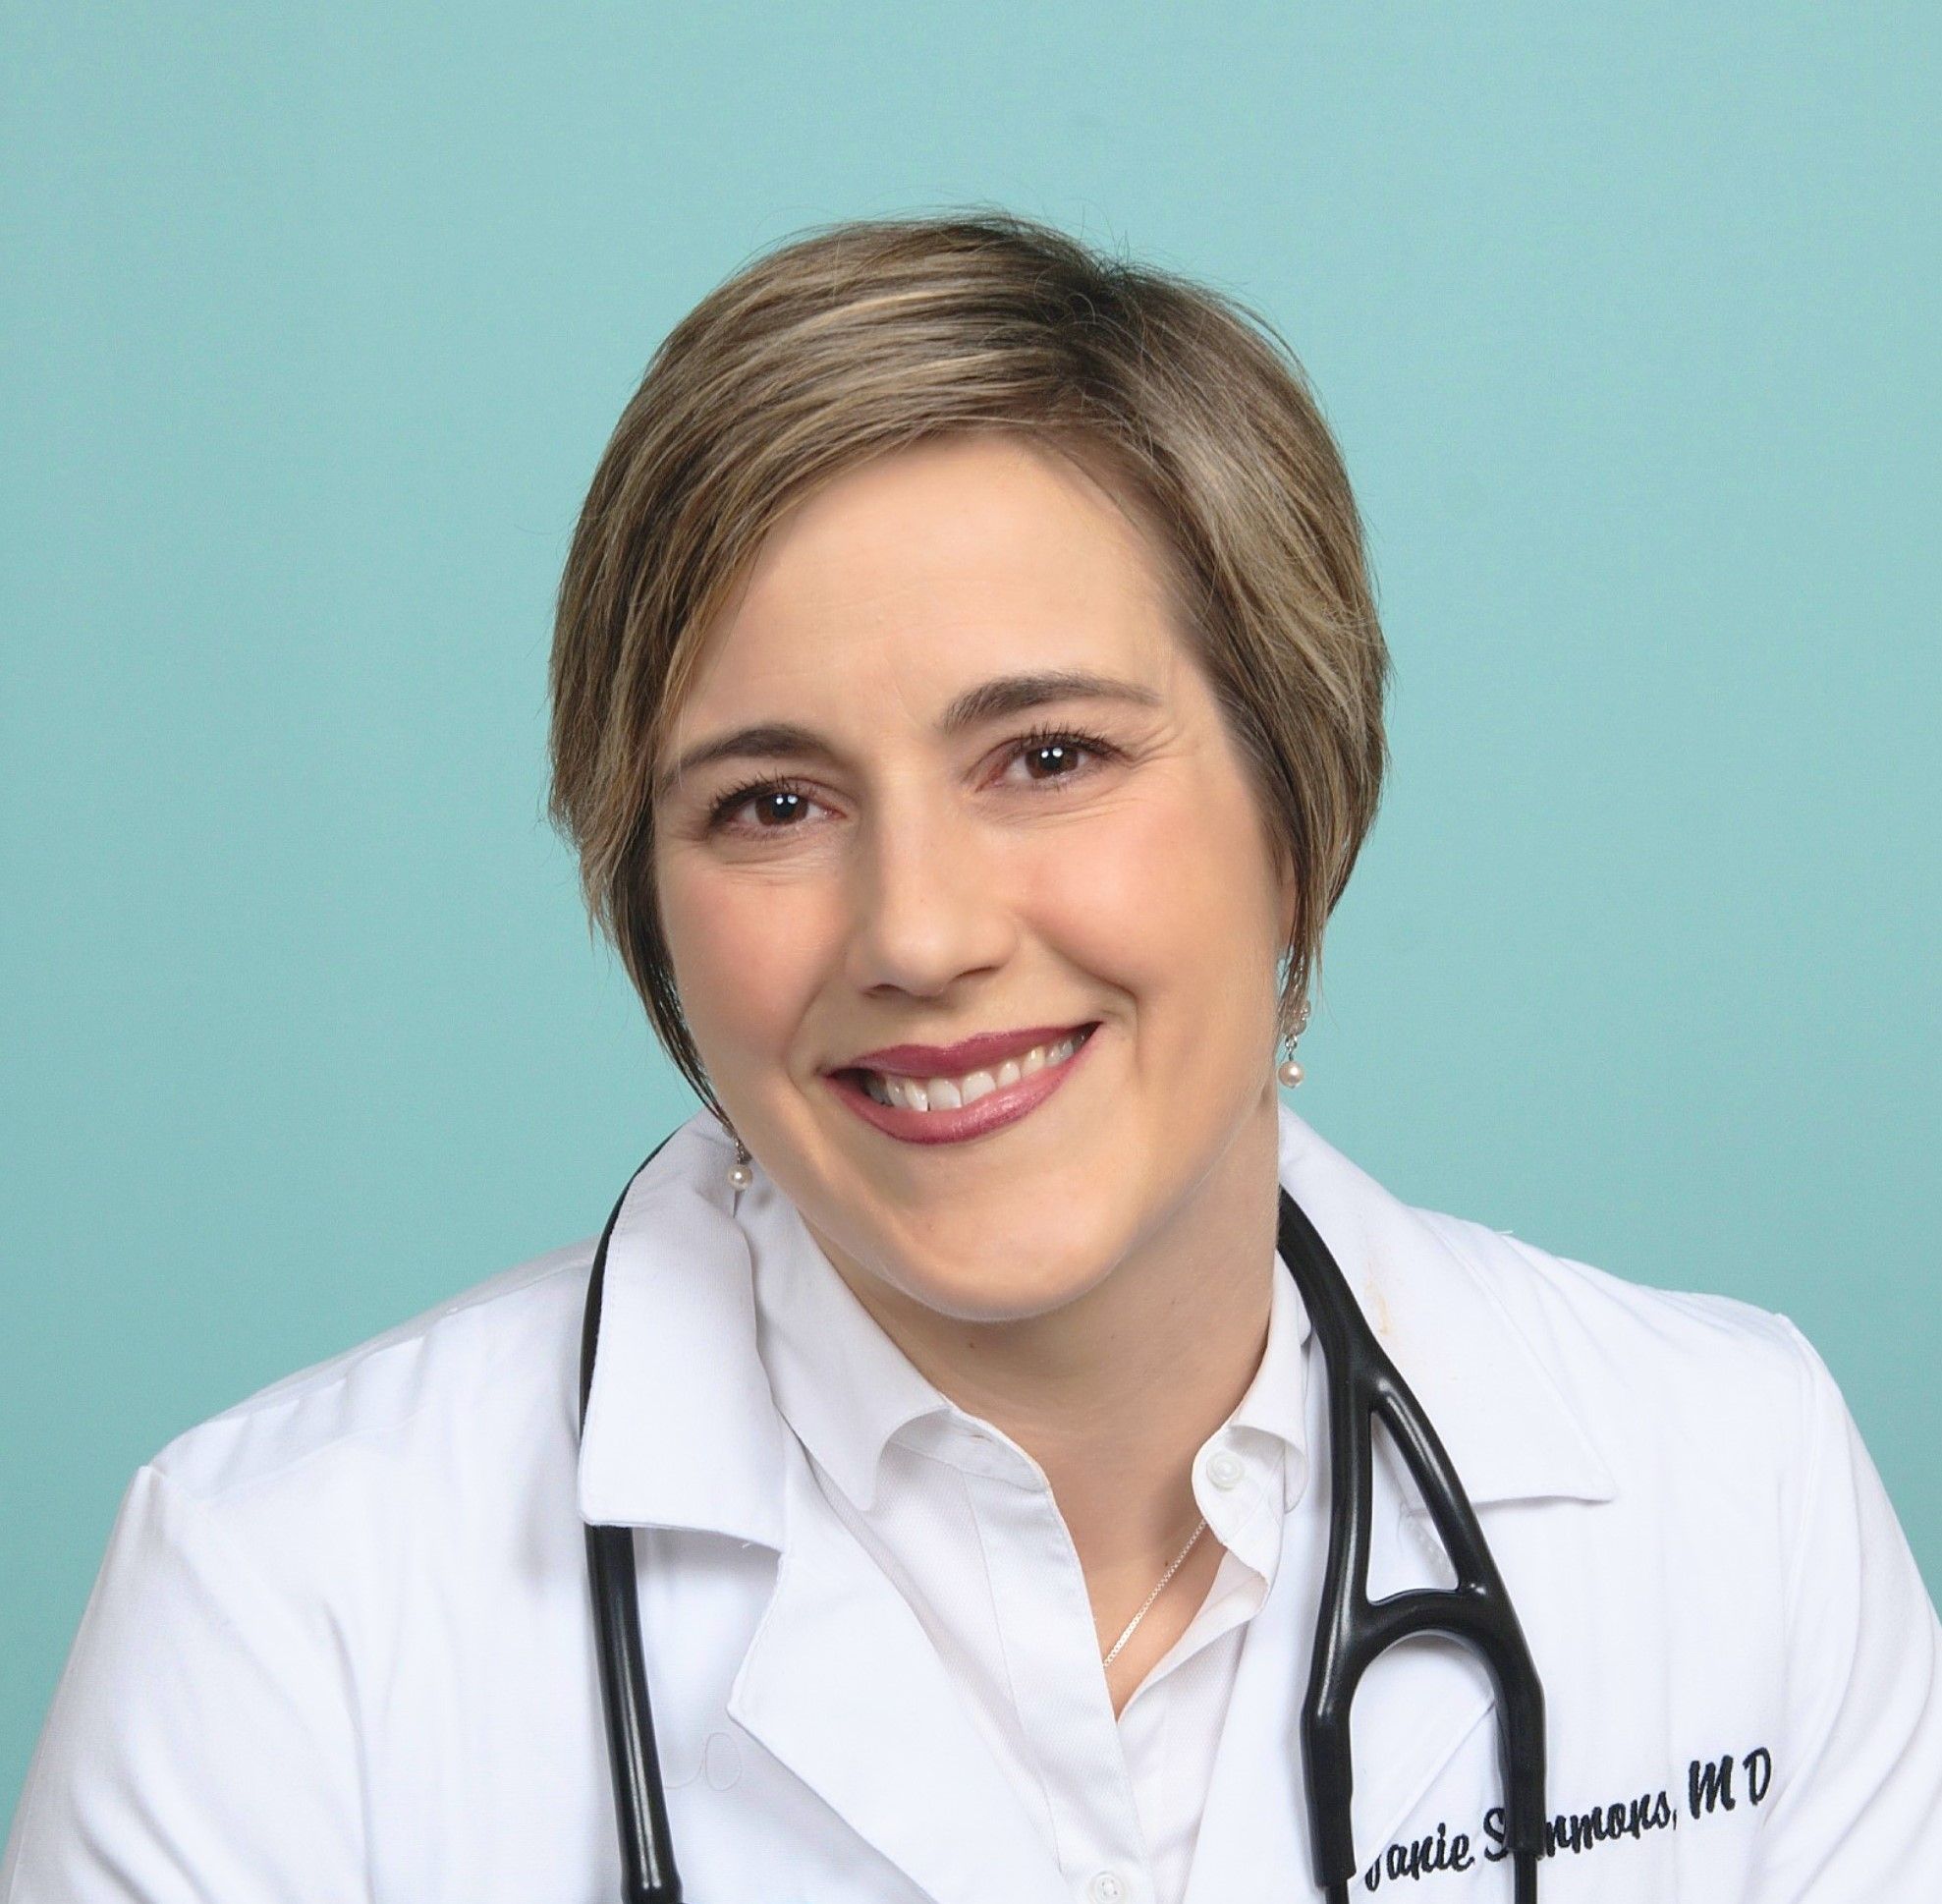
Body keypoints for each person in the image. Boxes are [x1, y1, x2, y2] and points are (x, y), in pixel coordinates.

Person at [6, 211, 1939, 1904]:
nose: (917, 933)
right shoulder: (282, 1609)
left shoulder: (1722, 1491)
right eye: (771, 803)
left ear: (1297, 803)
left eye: (1047, 756)